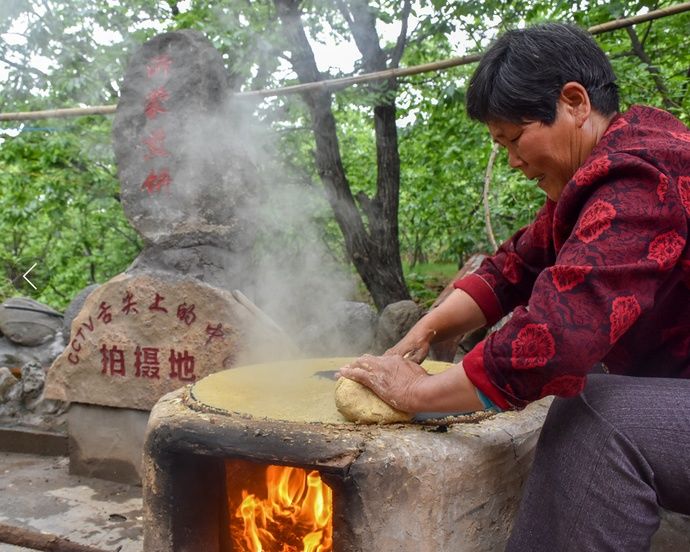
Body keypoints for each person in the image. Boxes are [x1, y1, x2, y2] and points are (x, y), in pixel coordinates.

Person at [338, 22, 690, 551]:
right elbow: (516, 266)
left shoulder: (645, 176)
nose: (513, 162)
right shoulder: (601, 177)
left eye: (514, 138)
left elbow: (557, 338)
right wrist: (431, 327)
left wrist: (418, 392)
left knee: (596, 417)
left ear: (574, 102)